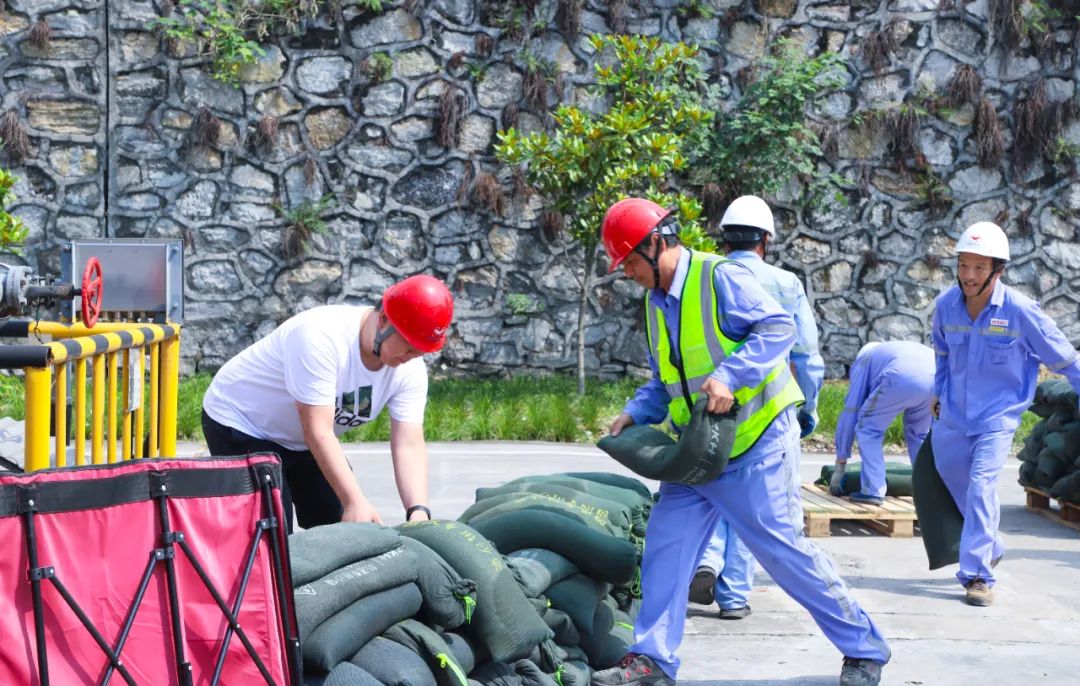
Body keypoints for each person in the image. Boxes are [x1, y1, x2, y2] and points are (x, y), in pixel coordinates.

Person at [594, 197, 890, 686]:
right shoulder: (654, 303)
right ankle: (652, 661)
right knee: (666, 550)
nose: (625, 272)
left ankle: (864, 648)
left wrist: (731, 375)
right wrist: (635, 412)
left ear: (654, 244)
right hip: (697, 452)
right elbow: (668, 377)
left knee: (784, 555)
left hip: (755, 446)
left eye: (627, 260)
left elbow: (779, 326)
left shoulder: (718, 278)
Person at [201, 274, 453, 532]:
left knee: (341, 528)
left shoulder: (409, 368)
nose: (412, 357)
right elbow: (318, 431)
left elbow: (408, 444)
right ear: (383, 320)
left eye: (421, 351)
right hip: (243, 422)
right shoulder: (320, 337)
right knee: (273, 537)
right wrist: (355, 501)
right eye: (409, 347)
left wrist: (418, 511)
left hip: (302, 438)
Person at [688, 195, 826, 619]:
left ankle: (707, 561)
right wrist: (809, 408)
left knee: (714, 491)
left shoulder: (706, 274)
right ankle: (732, 598)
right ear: (765, 240)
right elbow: (806, 353)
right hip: (766, 409)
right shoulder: (785, 284)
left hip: (712, 404)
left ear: (724, 239)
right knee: (754, 506)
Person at [930, 221, 1080, 606]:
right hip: (953, 415)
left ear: (998, 270)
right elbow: (943, 355)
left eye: (979, 268)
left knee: (981, 485)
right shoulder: (946, 305)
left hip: (997, 417)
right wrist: (937, 393)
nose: (969, 275)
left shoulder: (1019, 310)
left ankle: (977, 575)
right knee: (955, 481)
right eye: (964, 265)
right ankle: (990, 543)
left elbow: (1064, 358)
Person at [829, 341, 935, 505]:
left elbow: (851, 410)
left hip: (900, 375)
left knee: (868, 429)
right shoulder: (892, 350)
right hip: (934, 378)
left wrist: (840, 462)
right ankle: (927, 490)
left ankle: (873, 490)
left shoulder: (864, 360)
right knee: (919, 434)